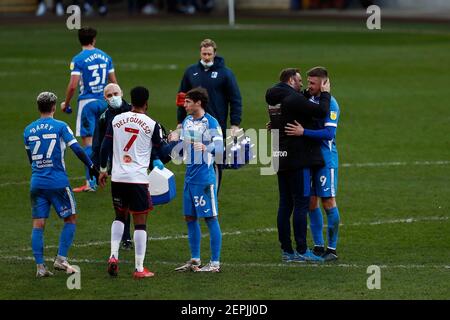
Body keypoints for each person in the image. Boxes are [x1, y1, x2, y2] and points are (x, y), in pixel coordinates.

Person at [24, 92, 98, 278]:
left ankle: (40, 268)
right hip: (57, 181)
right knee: (70, 219)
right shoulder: (60, 126)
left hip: (37, 181)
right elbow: (77, 149)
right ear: (54, 107)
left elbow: (30, 159)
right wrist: (91, 166)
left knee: (38, 224)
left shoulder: (28, 130)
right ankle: (61, 259)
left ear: (38, 107)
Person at [99, 86, 165, 279]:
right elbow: (160, 151)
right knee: (140, 223)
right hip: (138, 179)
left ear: (131, 100)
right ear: (147, 103)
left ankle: (113, 255)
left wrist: (103, 170)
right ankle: (139, 268)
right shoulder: (152, 124)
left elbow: (104, 146)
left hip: (118, 177)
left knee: (119, 216)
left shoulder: (116, 120)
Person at [265, 68, 330, 263]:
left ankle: (287, 251)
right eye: (300, 81)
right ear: (291, 80)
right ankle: (302, 250)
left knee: (285, 204)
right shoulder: (293, 99)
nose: (302, 85)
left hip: (280, 156)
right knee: (301, 204)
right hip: (297, 158)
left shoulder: (274, 97)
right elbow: (320, 111)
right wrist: (325, 93)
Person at [285, 67, 341, 261]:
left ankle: (331, 249)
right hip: (308, 158)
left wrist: (304, 133)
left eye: (313, 83)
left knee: (328, 201)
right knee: (310, 202)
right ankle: (318, 246)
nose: (309, 86)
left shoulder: (331, 104)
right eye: (308, 82)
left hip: (326, 159)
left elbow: (329, 134)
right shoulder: (307, 100)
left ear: (323, 84)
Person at [176, 38, 242, 192]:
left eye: (209, 54)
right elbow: (181, 98)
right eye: (204, 53)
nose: (206, 57)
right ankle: (197, 193)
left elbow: (235, 99)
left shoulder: (225, 74)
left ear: (215, 53)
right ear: (200, 52)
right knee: (195, 158)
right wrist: (180, 121)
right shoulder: (190, 72)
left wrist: (235, 123)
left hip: (216, 126)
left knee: (216, 159)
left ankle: (214, 195)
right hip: (194, 126)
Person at [171, 87, 224, 273]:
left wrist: (207, 147)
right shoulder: (186, 121)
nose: (184, 104)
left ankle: (215, 263)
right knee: (190, 217)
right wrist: (174, 139)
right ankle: (195, 260)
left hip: (204, 178)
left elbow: (220, 148)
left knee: (210, 217)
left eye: (187, 102)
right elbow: (185, 145)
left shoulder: (211, 122)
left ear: (198, 103)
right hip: (189, 176)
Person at [61, 27, 117, 192]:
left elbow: (72, 85)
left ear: (80, 40)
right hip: (105, 101)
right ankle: (112, 173)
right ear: (94, 39)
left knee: (88, 144)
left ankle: (90, 183)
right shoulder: (106, 57)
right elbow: (114, 83)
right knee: (107, 139)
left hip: (87, 103)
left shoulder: (78, 59)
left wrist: (66, 103)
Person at [91, 83, 134, 250]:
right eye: (109, 95)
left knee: (135, 203)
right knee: (121, 203)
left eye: (116, 93)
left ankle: (132, 235)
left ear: (122, 92)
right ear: (105, 98)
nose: (113, 97)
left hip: (135, 162)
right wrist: (97, 168)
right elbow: (98, 144)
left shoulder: (133, 110)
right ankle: (126, 237)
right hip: (117, 165)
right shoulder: (103, 117)